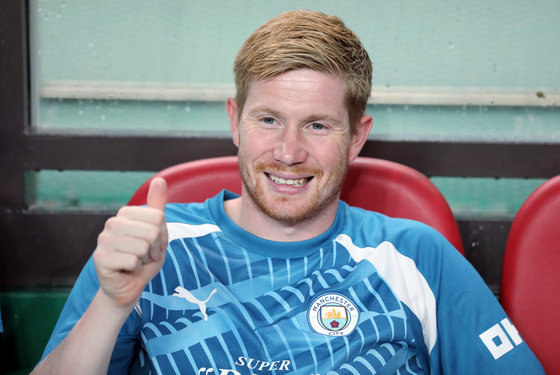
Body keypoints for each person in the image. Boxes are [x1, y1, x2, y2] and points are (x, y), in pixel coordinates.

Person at [33, 10, 543, 375]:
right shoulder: (153, 246)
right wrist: (113, 302)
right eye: (269, 119)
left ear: (357, 137)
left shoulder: (414, 258)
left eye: (318, 125)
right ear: (236, 121)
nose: (289, 151)